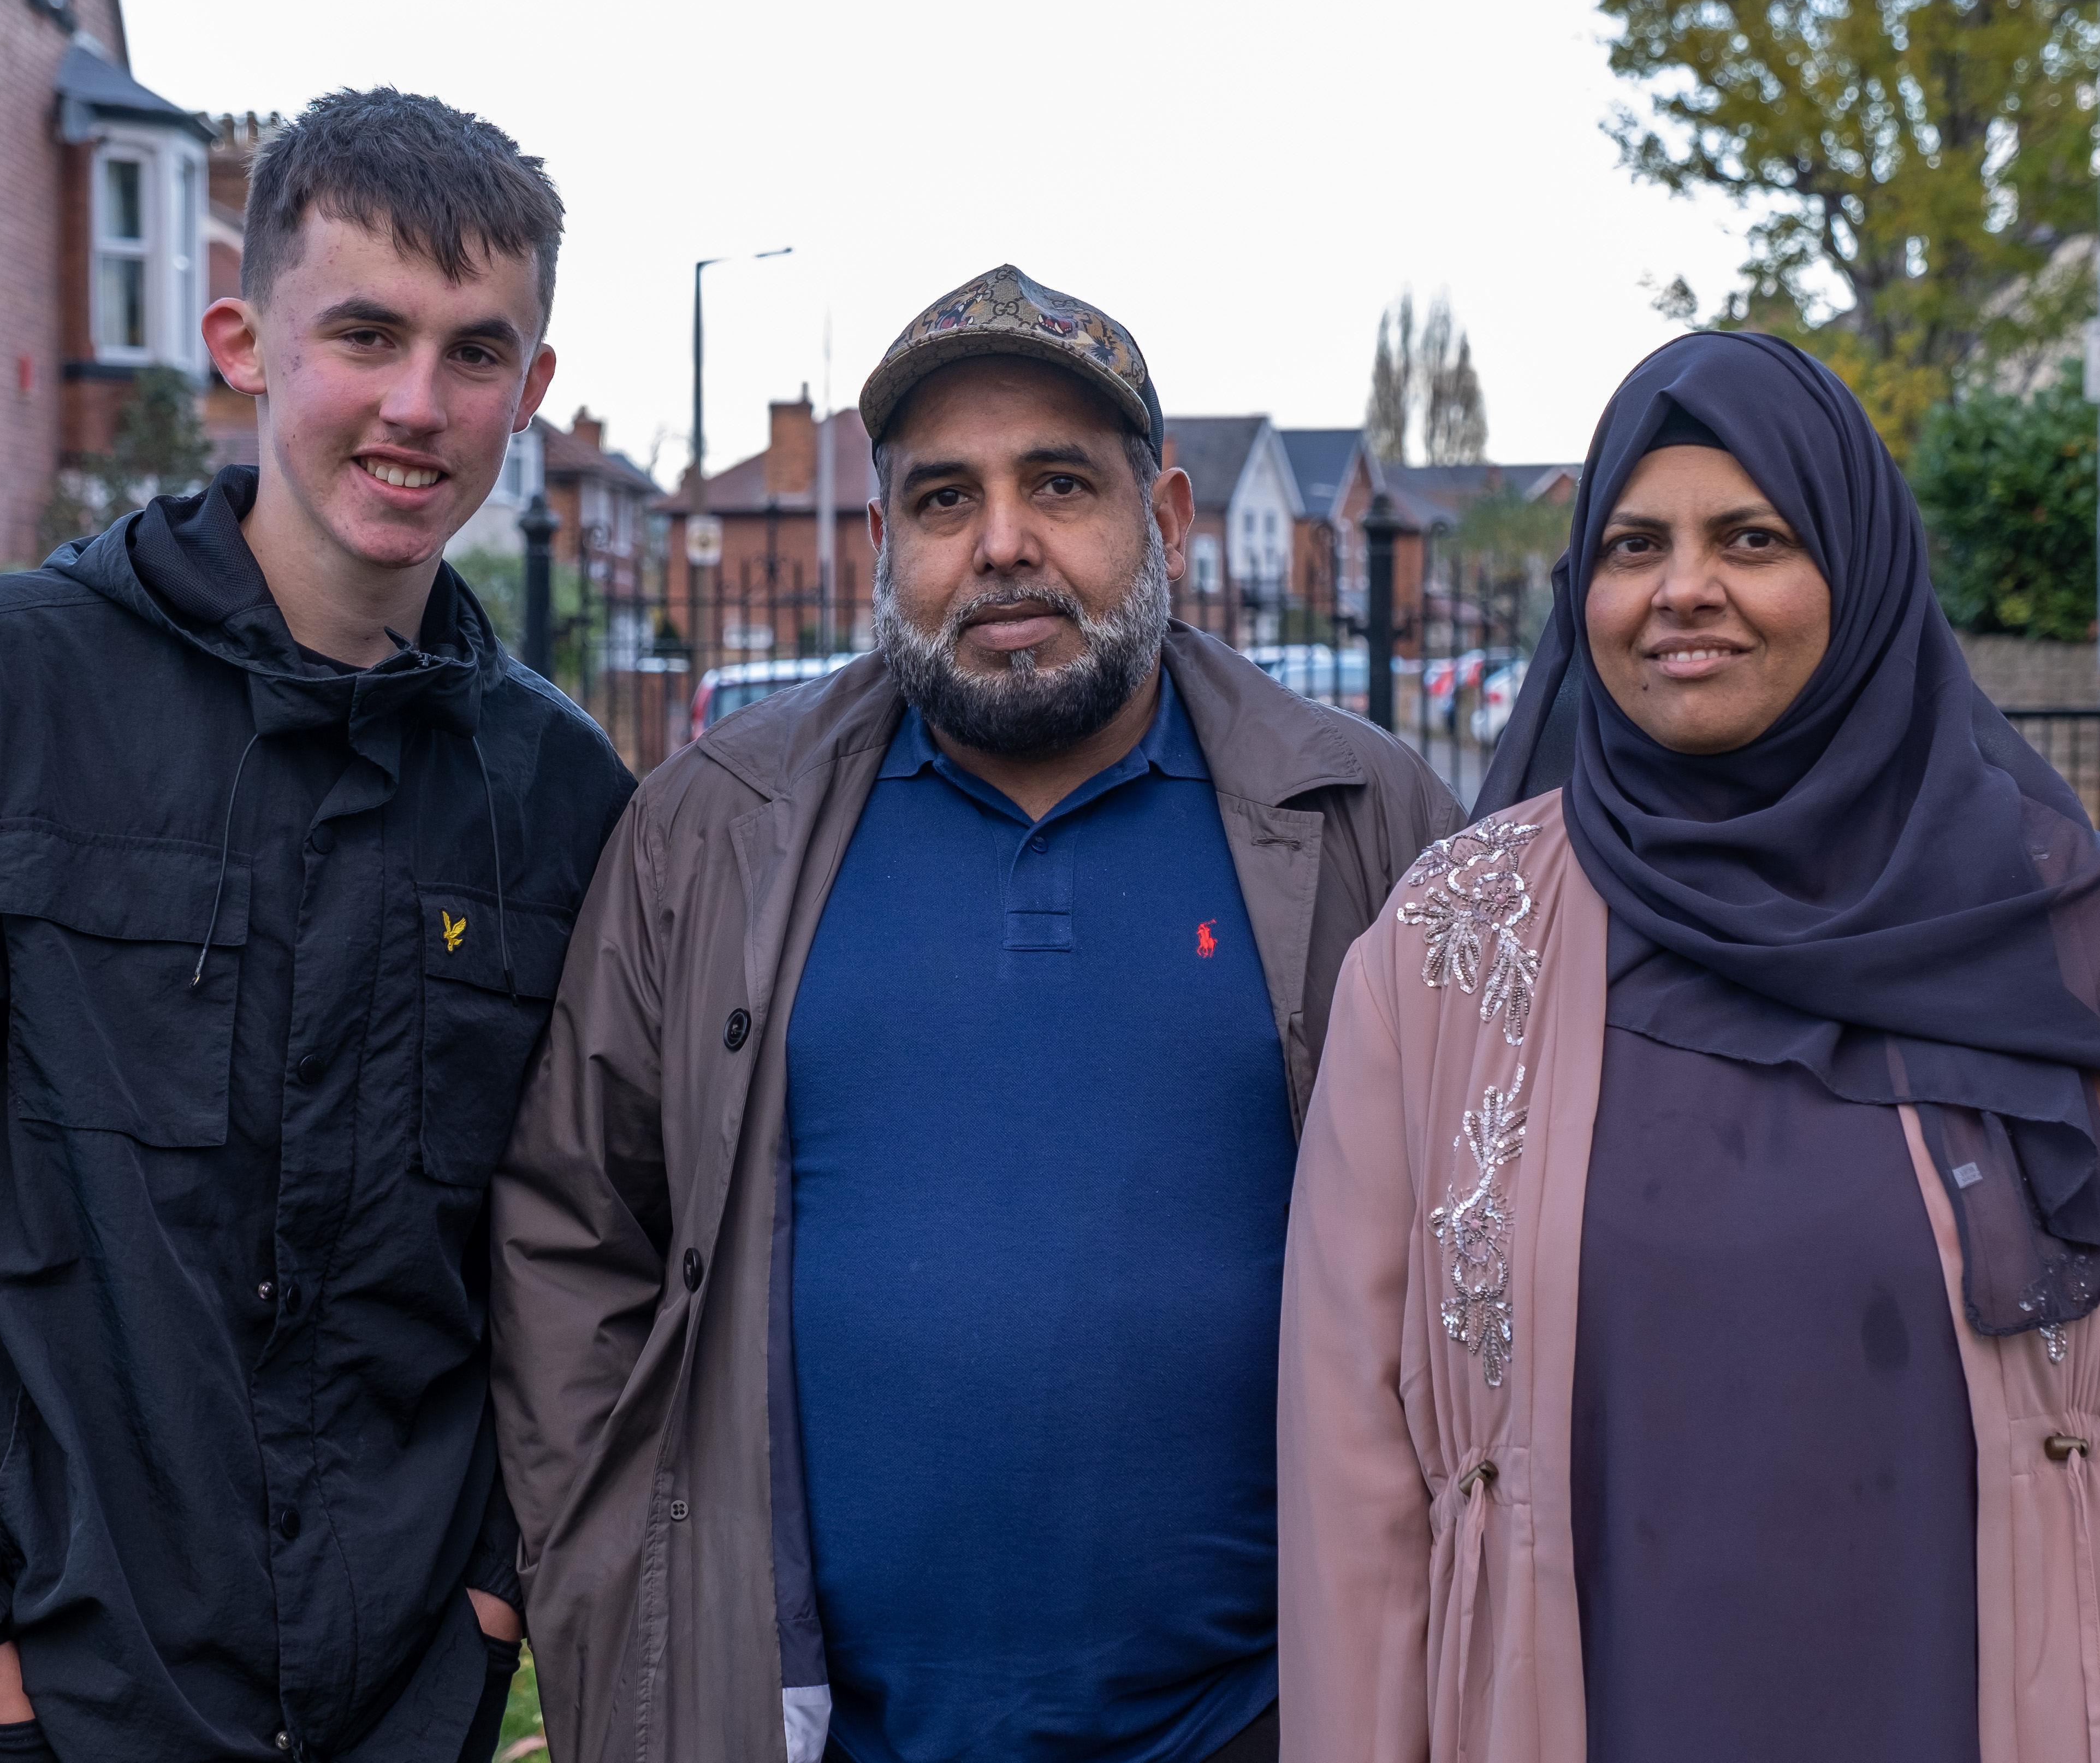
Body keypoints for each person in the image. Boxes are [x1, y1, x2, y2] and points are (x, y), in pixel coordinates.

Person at [0, 90, 634, 1762]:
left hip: (390, 1707)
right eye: (364, 333)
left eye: (476, 352)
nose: (416, 405)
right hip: (27, 1699)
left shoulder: (562, 792)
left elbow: (576, 1242)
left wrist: (489, 1603)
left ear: (536, 390)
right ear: (244, 340)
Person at [1276, 332, 2100, 1762]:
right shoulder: (1447, 948)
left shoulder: (2070, 929)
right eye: (1633, 543)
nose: (1681, 588)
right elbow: (1357, 1461)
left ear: (1861, 568)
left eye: (1751, 536)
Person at [491, 265, 1463, 1763]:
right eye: (945, 501)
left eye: (1060, 485)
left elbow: (1484, 1246)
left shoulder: (1358, 820)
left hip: (1268, 1720)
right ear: (886, 543)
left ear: (1171, 522)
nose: (1002, 545)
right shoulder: (718, 828)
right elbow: (575, 1228)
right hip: (821, 1730)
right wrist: (604, 1563)